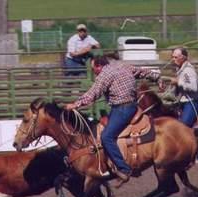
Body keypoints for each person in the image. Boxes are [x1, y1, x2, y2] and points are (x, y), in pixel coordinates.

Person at [65, 55, 159, 184]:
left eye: (94, 70)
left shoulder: (105, 74)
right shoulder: (122, 65)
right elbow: (143, 72)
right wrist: (157, 78)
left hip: (122, 109)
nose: (95, 73)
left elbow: (93, 93)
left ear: (99, 66)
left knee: (106, 136)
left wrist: (75, 104)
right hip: (131, 106)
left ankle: (124, 168)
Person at [158, 47, 198, 127]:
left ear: (183, 57)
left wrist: (178, 82)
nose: (173, 59)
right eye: (172, 57)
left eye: (175, 57)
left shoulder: (188, 70)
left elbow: (193, 87)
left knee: (182, 126)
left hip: (191, 102)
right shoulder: (180, 69)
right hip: (183, 102)